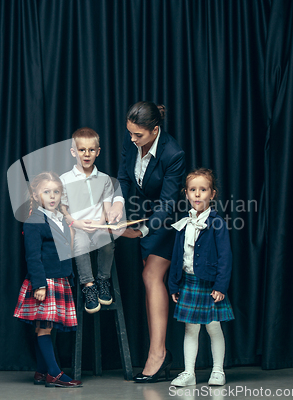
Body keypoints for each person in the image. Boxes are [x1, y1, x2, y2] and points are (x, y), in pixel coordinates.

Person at [108, 101, 186, 383]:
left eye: (138, 135)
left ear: (155, 130)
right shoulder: (131, 142)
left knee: (151, 276)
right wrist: (117, 204)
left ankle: (158, 355)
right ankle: (161, 353)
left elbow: (167, 205)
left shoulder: (173, 153)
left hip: (166, 221)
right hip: (142, 215)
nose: (131, 139)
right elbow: (123, 178)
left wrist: (141, 231)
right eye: (129, 133)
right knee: (150, 278)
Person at [13, 172, 82, 388]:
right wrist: (39, 285)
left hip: (59, 279)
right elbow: (32, 256)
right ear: (35, 194)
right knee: (44, 328)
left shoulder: (59, 218)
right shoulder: (34, 220)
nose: (52, 196)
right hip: (45, 282)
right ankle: (54, 374)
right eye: (47, 192)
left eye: (56, 192)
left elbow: (67, 249)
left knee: (46, 327)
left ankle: (41, 372)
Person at [168, 168, 234, 387]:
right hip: (188, 283)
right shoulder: (183, 224)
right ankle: (189, 373)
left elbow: (225, 257)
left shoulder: (217, 224)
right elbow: (177, 256)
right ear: (186, 193)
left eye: (203, 190)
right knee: (190, 328)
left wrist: (220, 286)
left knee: (214, 327)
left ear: (212, 194)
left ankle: (218, 371)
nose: (197, 194)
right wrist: (173, 283)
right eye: (193, 190)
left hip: (209, 285)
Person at [60, 127, 120, 313]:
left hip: (98, 226)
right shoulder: (65, 179)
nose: (86, 154)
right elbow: (63, 208)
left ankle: (103, 280)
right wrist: (75, 223)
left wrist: (101, 222)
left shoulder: (104, 179)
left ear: (98, 152)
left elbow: (107, 205)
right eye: (81, 150)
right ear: (73, 152)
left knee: (107, 242)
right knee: (80, 244)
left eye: (91, 150)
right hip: (77, 227)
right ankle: (88, 286)